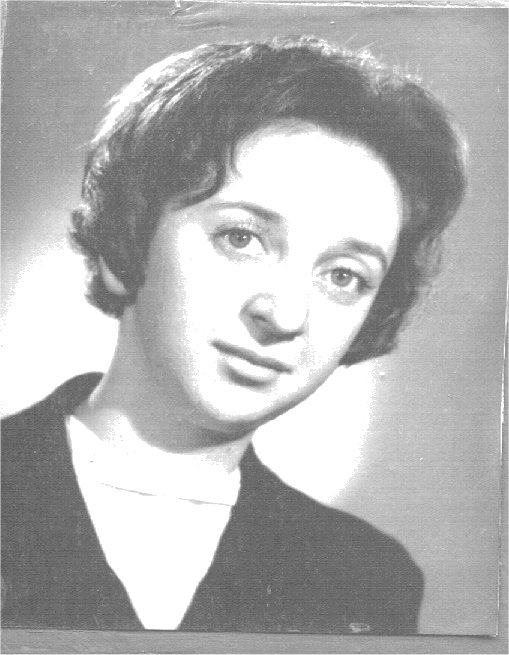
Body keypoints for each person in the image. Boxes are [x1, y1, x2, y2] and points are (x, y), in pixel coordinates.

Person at [1, 36, 466, 634]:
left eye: (343, 276)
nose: (286, 316)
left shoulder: (366, 577)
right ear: (126, 240)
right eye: (241, 238)